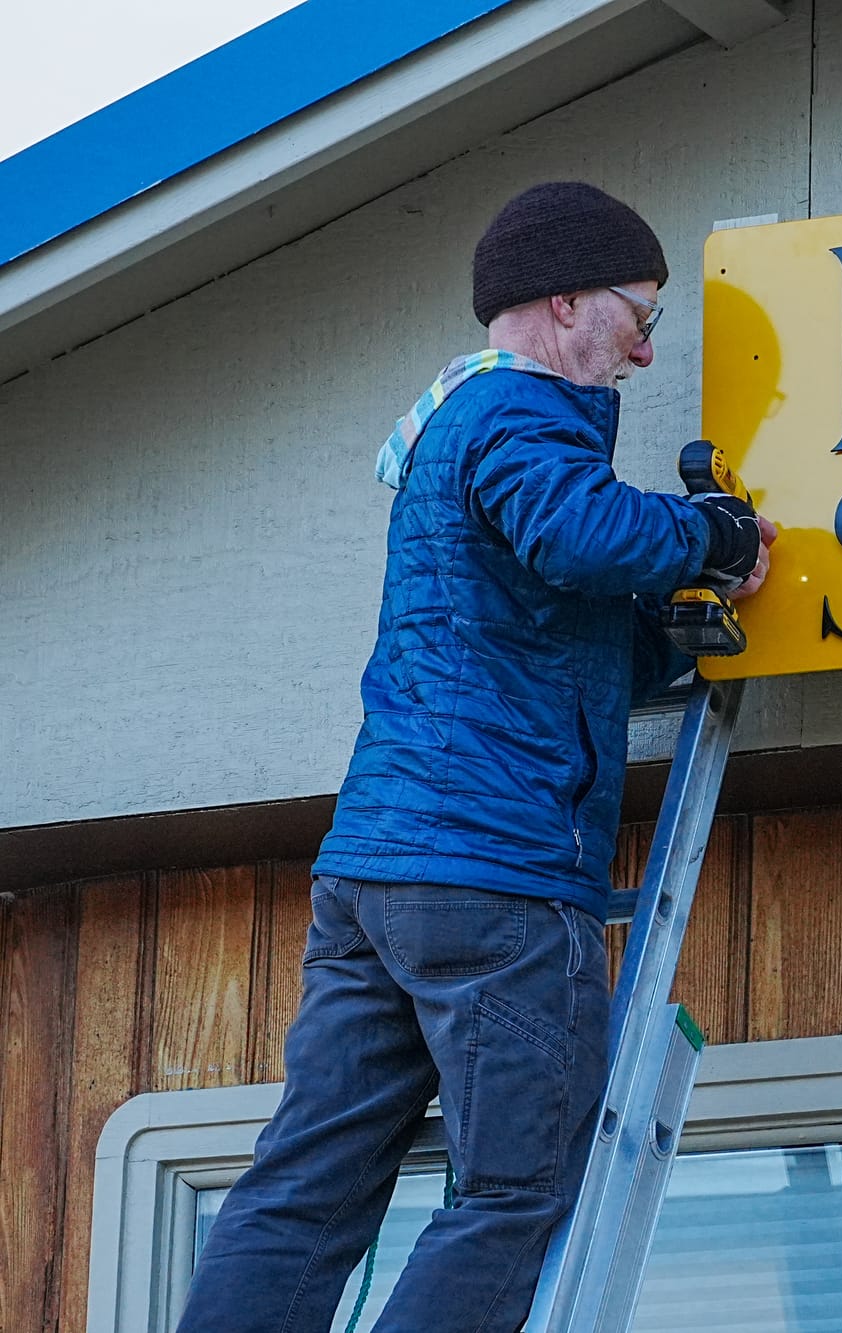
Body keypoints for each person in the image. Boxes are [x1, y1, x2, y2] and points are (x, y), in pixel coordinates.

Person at [178, 181, 776, 1333]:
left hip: (377, 876)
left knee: (307, 1189)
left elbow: (547, 632)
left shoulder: (457, 428)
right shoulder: (520, 413)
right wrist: (712, 533)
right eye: (641, 316)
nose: (647, 352)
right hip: (491, 878)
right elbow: (579, 533)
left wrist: (668, 637)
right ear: (566, 302)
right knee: (517, 1188)